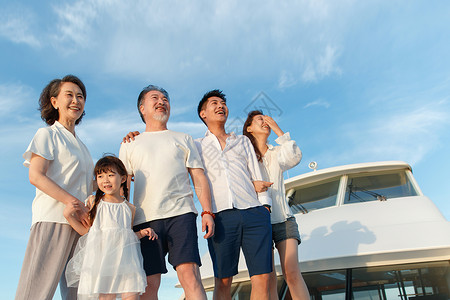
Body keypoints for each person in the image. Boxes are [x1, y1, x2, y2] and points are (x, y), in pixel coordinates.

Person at [119, 85, 215, 300]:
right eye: (155, 98)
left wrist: (207, 211)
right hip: (144, 219)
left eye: (165, 98)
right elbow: (124, 185)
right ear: (142, 108)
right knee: (148, 282)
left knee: (189, 275)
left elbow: (199, 177)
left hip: (181, 214)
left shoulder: (184, 138)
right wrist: (123, 221)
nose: (162, 101)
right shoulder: (129, 143)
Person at [16, 75, 94, 300]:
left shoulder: (83, 147)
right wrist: (72, 202)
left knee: (81, 294)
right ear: (54, 102)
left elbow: (92, 186)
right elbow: (36, 176)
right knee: (35, 292)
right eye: (69, 95)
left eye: (80, 96)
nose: (76, 101)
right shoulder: (47, 134)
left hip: (79, 227)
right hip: (52, 219)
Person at [195, 90, 274, 300]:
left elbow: (256, 174)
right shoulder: (196, 146)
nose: (221, 106)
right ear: (203, 113)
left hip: (254, 212)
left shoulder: (242, 141)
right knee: (223, 280)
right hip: (220, 215)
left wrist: (265, 207)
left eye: (223, 103)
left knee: (263, 277)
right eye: (214, 103)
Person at [64, 155, 157, 300]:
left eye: (111, 175)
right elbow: (87, 233)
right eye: (100, 176)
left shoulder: (130, 208)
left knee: (131, 296)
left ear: (123, 178)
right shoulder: (94, 202)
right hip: (103, 262)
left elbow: (127, 236)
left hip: (127, 261)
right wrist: (68, 216)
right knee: (106, 297)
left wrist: (141, 233)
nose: (105, 180)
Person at [243, 110, 310, 300]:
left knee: (292, 273)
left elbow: (294, 157)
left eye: (266, 120)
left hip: (283, 218)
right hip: (258, 222)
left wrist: (278, 130)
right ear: (249, 128)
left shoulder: (276, 152)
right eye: (259, 120)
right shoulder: (245, 157)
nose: (265, 122)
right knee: (268, 278)